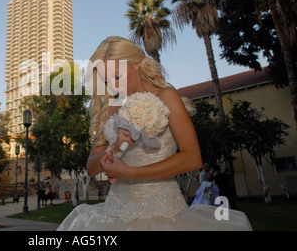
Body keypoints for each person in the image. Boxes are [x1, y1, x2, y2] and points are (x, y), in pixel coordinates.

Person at [57, 36, 252, 231]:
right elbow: (91, 167)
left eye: (117, 77)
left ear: (135, 64)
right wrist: (114, 147)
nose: (113, 86)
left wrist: (131, 173)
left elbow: (193, 159)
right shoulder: (110, 107)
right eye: (106, 80)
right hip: (113, 215)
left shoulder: (166, 96)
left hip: (163, 212)